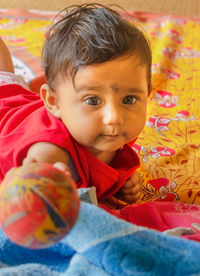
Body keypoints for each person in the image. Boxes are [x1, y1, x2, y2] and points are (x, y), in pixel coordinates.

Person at [0, 4, 151, 209]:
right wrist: (42, 180)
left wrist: (124, 183)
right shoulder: (52, 153)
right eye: (92, 101)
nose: (114, 116)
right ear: (54, 102)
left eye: (129, 99)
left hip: (20, 102)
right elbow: (32, 186)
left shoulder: (106, 131)